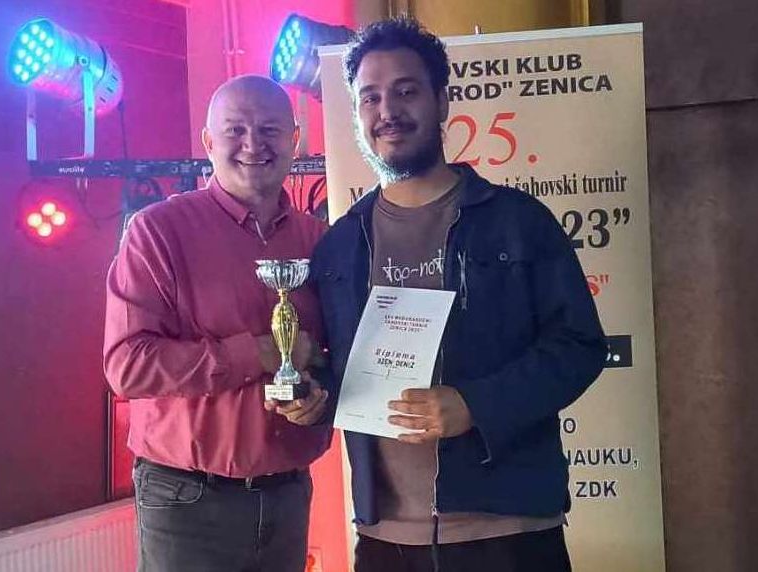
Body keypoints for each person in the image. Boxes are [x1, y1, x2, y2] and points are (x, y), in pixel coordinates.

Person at [309, 17, 607, 572]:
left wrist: (477, 404)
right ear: (356, 115)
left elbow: (579, 346)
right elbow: (338, 372)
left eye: (406, 91)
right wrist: (310, 394)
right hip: (385, 538)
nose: (387, 111)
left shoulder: (518, 222)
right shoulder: (338, 247)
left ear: (442, 101)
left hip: (509, 531)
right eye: (370, 98)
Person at [103, 75, 330, 572]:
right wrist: (258, 352)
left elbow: (331, 354)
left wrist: (317, 399)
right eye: (235, 130)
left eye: (269, 130)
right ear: (209, 142)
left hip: (288, 493)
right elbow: (127, 366)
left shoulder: (319, 240)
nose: (253, 144)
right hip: (187, 500)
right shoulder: (157, 232)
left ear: (294, 140)